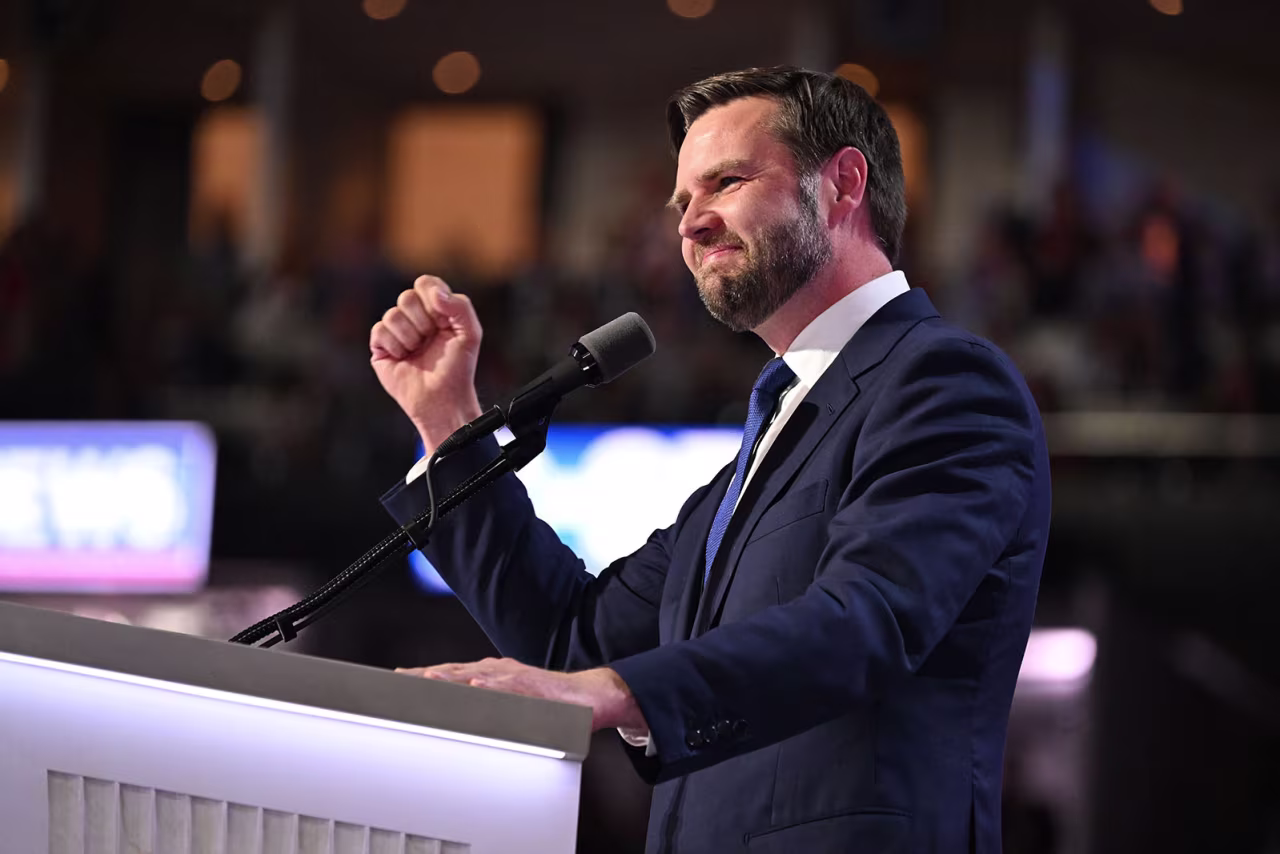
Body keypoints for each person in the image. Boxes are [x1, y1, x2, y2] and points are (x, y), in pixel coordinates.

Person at [369, 67, 1051, 854]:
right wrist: (447, 420)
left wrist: (615, 691)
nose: (690, 225)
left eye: (725, 182)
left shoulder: (946, 381)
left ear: (843, 184)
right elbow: (571, 644)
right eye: (681, 202)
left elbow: (868, 618)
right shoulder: (757, 458)